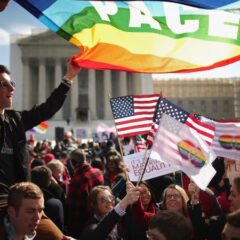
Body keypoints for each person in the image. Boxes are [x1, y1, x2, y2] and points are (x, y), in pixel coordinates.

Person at [0, 61, 80, 189]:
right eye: (5, 84)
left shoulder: (16, 120)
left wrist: (69, 77)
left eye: (12, 83)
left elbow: (47, 109)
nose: (12, 88)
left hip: (15, 198)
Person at [66, 148, 104, 238]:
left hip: (83, 224)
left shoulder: (78, 179)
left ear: (73, 162)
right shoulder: (98, 172)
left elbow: (74, 209)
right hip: (100, 216)